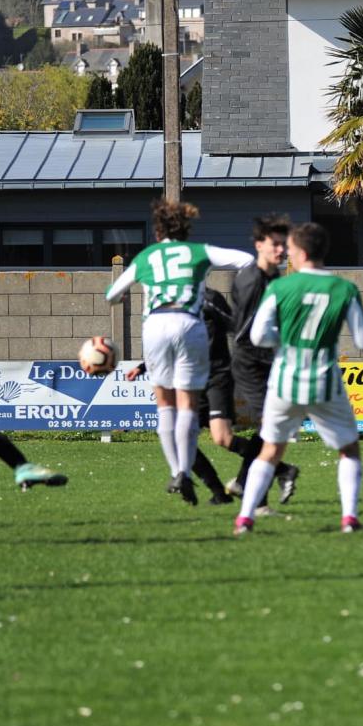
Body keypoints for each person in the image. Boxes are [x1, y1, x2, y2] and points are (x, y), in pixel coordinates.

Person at [233, 221, 363, 535]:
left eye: (289, 249)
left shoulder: (280, 287)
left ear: (301, 253)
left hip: (285, 381)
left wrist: (285, 339)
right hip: (324, 382)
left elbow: (259, 335)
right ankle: (349, 518)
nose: (286, 253)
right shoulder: (344, 288)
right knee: (349, 450)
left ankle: (245, 518)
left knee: (270, 451)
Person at [106, 200, 254, 506]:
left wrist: (123, 297)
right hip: (189, 323)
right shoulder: (198, 252)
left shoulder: (147, 256)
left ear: (158, 231)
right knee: (187, 403)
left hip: (156, 324)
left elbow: (113, 294)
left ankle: (177, 471)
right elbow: (246, 260)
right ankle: (185, 471)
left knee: (164, 404)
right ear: (186, 230)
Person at [125, 285, 238, 506]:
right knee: (183, 439)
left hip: (216, 376)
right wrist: (142, 366)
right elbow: (168, 345)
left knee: (222, 438)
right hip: (189, 378)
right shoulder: (166, 304)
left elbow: (235, 326)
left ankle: (279, 468)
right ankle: (216, 491)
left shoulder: (209, 297)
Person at [225, 214, 301, 512]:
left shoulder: (272, 277)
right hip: (250, 363)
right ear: (259, 245)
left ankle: (246, 483)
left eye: (284, 245)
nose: (281, 251)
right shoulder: (251, 280)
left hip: (269, 361)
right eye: (275, 245)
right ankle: (258, 501)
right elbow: (245, 330)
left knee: (271, 427)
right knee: (270, 427)